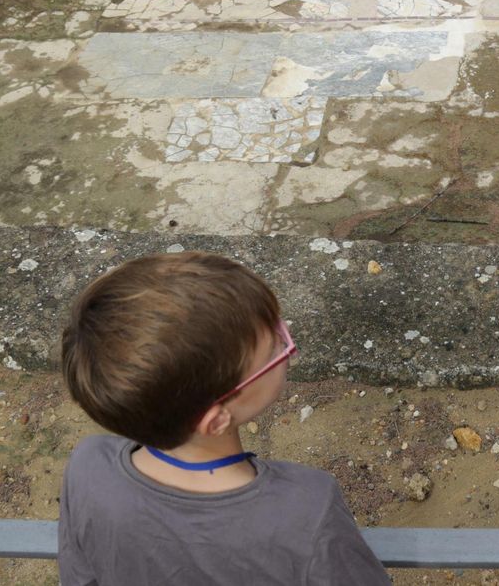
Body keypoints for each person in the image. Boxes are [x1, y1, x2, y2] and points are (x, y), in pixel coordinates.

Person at [57, 251, 392, 586]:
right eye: (277, 348)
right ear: (216, 421)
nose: (285, 334)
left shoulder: (89, 466)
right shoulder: (307, 508)